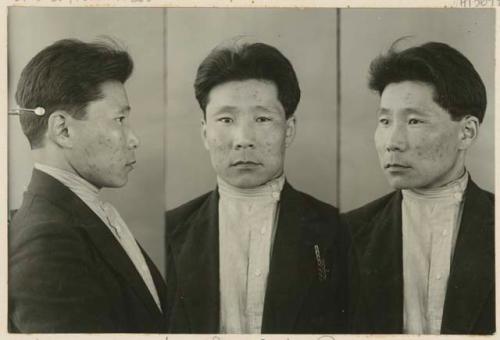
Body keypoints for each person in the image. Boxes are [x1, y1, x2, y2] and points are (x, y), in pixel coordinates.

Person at [165, 39, 349, 334]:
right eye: (226, 119)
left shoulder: (337, 230)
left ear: (288, 130)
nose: (243, 138)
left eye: (262, 118)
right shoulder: (170, 230)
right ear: (204, 132)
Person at [8, 39, 168, 333]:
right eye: (119, 119)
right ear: (63, 130)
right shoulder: (46, 242)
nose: (134, 139)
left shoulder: (70, 218)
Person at [343, 41, 494, 334]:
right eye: (384, 121)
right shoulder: (347, 233)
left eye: (414, 120)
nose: (392, 142)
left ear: (467, 132)